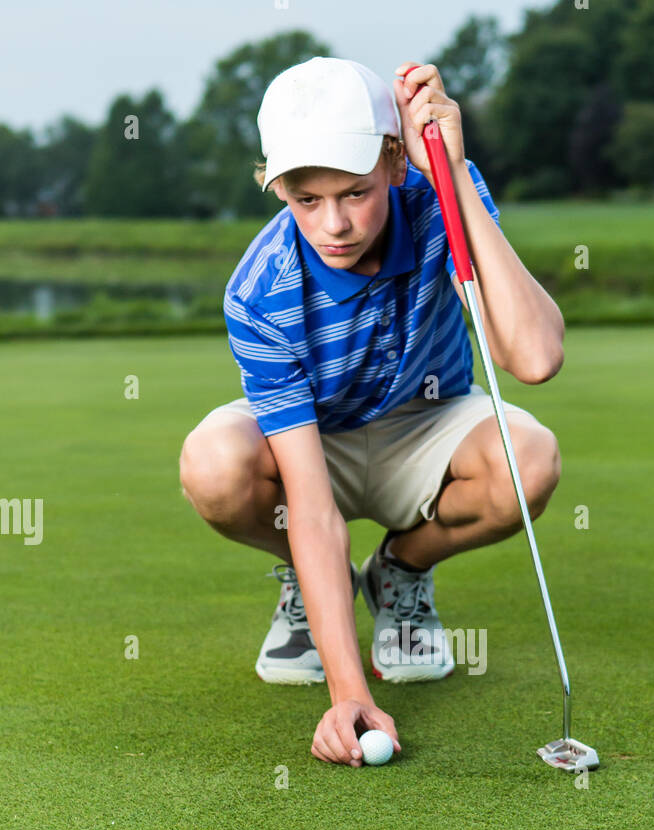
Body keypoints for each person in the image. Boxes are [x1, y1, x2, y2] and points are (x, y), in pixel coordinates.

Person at [179, 56, 565, 768]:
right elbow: (313, 504)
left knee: (531, 458)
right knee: (212, 462)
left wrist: (452, 172)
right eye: (306, 199)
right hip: (313, 441)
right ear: (276, 187)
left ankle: (398, 571)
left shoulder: (436, 197)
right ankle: (305, 580)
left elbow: (535, 358)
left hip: (428, 424)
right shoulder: (259, 290)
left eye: (355, 192)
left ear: (393, 160)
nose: (336, 224)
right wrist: (347, 692)